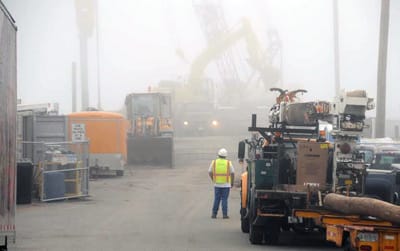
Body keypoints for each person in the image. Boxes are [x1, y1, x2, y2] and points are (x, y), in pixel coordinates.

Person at [208, 148, 235, 219]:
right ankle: (225, 215)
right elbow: (232, 173)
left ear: (218, 155)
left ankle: (214, 214)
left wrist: (213, 179)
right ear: (226, 156)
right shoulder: (228, 162)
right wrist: (232, 182)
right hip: (226, 184)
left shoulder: (214, 162)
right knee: (224, 199)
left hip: (217, 184)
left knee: (216, 199)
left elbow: (210, 172)